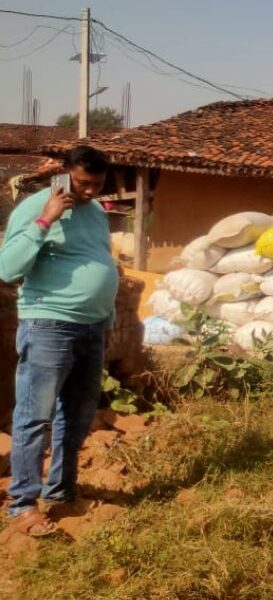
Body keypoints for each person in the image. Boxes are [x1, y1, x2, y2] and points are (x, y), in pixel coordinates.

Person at [1, 145, 117, 538]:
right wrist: (46, 219)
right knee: (34, 416)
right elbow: (7, 268)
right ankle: (22, 504)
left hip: (93, 327)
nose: (90, 191)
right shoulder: (35, 207)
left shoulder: (96, 211)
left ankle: (62, 491)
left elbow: (100, 259)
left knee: (78, 415)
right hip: (49, 325)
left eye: (97, 184)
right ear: (63, 174)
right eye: (83, 183)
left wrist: (108, 318)